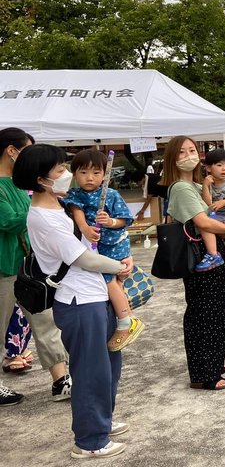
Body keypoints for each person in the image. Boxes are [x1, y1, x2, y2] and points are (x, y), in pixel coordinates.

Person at [14, 144, 131, 458]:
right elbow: (84, 260)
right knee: (91, 372)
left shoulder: (61, 203)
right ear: (42, 178)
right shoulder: (42, 217)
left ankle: (101, 421)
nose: (66, 173)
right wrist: (121, 266)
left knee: (109, 366)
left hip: (95, 295)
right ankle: (90, 441)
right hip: (79, 300)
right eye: (59, 169)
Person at [162, 136, 225, 390]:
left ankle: (214, 363)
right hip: (199, 257)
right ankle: (203, 373)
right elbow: (204, 222)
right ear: (172, 159)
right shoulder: (181, 188)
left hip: (211, 254)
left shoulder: (195, 186)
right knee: (202, 313)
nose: (189, 155)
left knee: (215, 311)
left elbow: (212, 212)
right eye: (182, 152)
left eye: (192, 150)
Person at [0, 128, 71, 407]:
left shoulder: (20, 185)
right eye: (26, 149)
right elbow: (8, 221)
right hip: (4, 266)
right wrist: (39, 205)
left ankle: (60, 380)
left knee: (46, 321)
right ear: (11, 150)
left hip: (31, 265)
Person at [65, 149, 144, 352]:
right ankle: (120, 313)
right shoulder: (74, 194)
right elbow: (76, 210)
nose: (89, 178)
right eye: (83, 172)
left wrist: (110, 221)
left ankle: (126, 320)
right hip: (94, 247)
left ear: (104, 174)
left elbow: (124, 220)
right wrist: (84, 228)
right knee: (113, 283)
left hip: (114, 245)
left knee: (109, 281)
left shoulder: (111, 194)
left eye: (96, 173)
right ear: (74, 174)